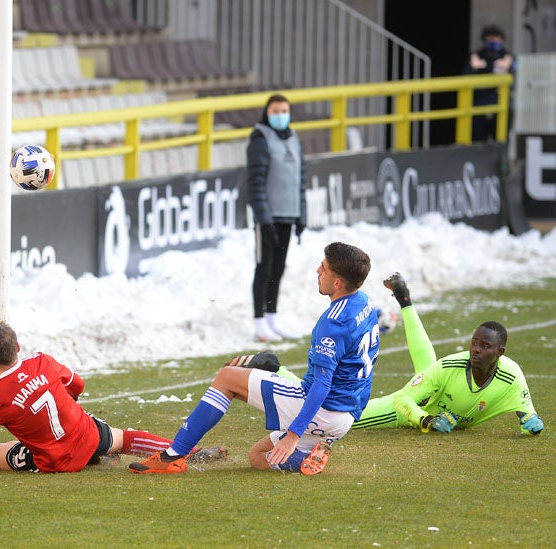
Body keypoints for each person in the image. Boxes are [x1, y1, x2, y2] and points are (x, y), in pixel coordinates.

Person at [129, 242, 379, 475]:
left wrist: (293, 434)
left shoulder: (334, 322)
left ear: (337, 282)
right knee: (258, 456)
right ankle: (304, 460)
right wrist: (348, 416)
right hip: (343, 418)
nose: (317, 271)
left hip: (322, 409)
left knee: (227, 378)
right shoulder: (364, 304)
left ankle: (171, 457)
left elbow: (322, 385)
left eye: (323, 269)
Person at [0, 319, 224, 473]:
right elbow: (78, 385)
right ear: (17, 348)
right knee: (125, 437)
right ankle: (189, 451)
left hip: (58, 461)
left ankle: (94, 458)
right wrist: (66, 399)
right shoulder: (43, 361)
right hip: (87, 434)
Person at [353, 273, 544, 435]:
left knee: (428, 368)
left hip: (434, 384)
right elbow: (401, 400)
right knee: (343, 420)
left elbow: (527, 416)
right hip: (419, 407)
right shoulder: (449, 366)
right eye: (474, 343)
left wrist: (532, 425)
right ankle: (405, 301)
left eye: (484, 346)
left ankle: (405, 299)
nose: (476, 349)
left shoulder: (511, 375)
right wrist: (425, 419)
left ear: (500, 352)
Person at [246, 94, 308, 342]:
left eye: (285, 110)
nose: (281, 114)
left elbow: (301, 179)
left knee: (279, 269)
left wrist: (301, 215)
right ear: (267, 112)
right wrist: (264, 218)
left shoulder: (294, 139)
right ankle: (259, 322)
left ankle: (272, 318)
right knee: (264, 267)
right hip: (268, 217)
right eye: (276, 110)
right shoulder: (260, 139)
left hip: (288, 215)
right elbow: (256, 182)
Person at [466, 24, 515, 142]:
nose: (493, 40)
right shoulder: (476, 56)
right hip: (479, 104)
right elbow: (466, 76)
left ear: (501, 39)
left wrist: (484, 68)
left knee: (502, 140)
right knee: (477, 140)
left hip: (500, 104)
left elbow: (514, 79)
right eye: (490, 37)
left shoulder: (507, 57)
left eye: (496, 37)